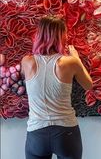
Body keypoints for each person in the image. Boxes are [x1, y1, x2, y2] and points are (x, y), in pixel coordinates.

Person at [21, 15, 93, 159]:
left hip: (37, 133)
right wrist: (78, 59)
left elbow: (26, 77)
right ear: (60, 36)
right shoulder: (70, 62)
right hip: (66, 132)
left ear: (39, 35)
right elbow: (88, 85)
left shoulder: (27, 61)